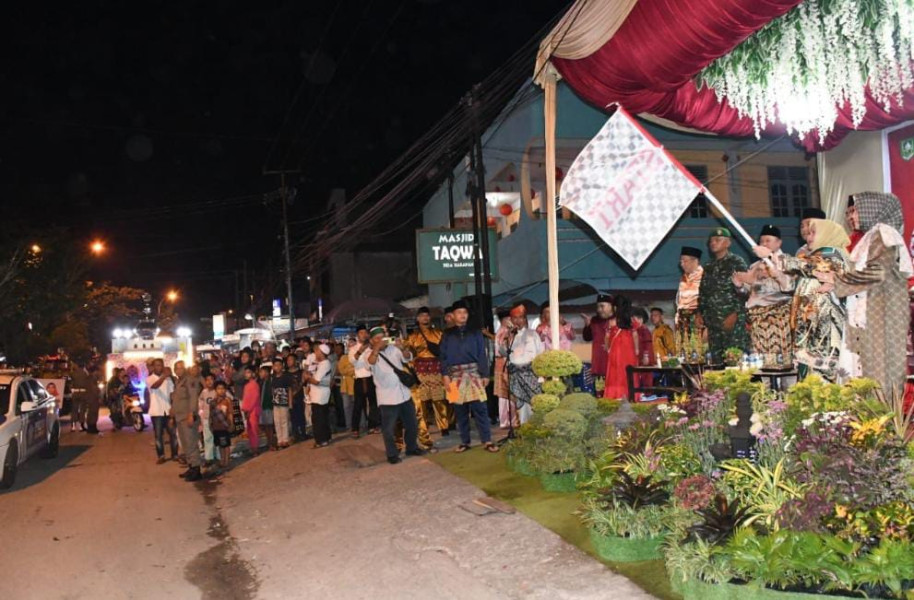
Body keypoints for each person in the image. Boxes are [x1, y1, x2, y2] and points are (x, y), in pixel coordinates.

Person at [825, 192, 913, 395]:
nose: (851, 217)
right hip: (867, 312)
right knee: (863, 374)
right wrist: (834, 283)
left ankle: (880, 424)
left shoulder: (884, 234)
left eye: (855, 211)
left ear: (872, 210)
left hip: (880, 313)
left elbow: (878, 272)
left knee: (878, 375)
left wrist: (839, 281)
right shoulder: (873, 234)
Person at [756, 218, 850, 380]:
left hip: (824, 333)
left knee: (824, 383)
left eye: (814, 233)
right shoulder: (815, 255)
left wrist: (772, 255)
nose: (808, 237)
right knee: (809, 383)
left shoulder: (833, 254)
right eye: (809, 233)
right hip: (810, 334)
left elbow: (808, 266)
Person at [439, 300, 498, 454]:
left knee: (481, 409)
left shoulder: (475, 332)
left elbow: (481, 353)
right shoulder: (446, 334)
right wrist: (445, 375)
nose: (462, 315)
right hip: (454, 376)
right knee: (460, 411)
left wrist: (484, 374)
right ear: (452, 316)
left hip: (474, 373)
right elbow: (443, 356)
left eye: (465, 312)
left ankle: (487, 440)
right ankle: (465, 442)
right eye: (459, 312)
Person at [358, 327, 423, 464]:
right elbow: (370, 363)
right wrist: (376, 348)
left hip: (404, 393)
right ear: (371, 340)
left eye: (384, 338)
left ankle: (412, 447)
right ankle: (392, 454)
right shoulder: (368, 353)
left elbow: (407, 359)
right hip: (387, 398)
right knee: (388, 429)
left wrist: (402, 348)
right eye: (378, 338)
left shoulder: (393, 349)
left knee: (412, 424)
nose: (382, 341)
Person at [733, 224, 793, 366]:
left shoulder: (786, 262)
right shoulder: (755, 266)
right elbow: (748, 293)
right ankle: (765, 388)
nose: (764, 244)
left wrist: (759, 279)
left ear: (778, 242)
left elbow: (788, 287)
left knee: (781, 363)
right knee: (761, 363)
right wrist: (739, 285)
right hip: (757, 320)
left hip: (777, 318)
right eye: (761, 241)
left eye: (768, 240)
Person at [698, 228, 750, 363]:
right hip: (713, 324)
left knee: (734, 361)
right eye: (711, 241)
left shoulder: (737, 262)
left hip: (732, 322)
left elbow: (745, 291)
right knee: (717, 364)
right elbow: (703, 292)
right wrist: (700, 313)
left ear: (728, 243)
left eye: (718, 240)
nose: (713, 243)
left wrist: (736, 314)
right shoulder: (708, 266)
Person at [405, 307, 450, 436]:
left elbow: (444, 351)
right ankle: (423, 427)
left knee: (439, 399)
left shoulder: (438, 333)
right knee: (422, 401)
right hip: (420, 372)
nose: (425, 318)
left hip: (436, 369)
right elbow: (408, 355)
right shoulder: (412, 336)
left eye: (427, 315)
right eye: (422, 316)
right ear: (417, 318)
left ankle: (444, 426)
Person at [501, 303, 544, 424]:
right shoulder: (509, 335)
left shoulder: (533, 334)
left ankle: (537, 429)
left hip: (532, 374)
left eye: (521, 317)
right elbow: (503, 352)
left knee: (535, 404)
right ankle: (525, 430)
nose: (518, 320)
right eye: (515, 318)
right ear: (511, 319)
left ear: (525, 319)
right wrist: (507, 335)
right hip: (516, 374)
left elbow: (540, 354)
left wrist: (541, 375)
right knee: (522, 406)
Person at [172, 361, 203, 481]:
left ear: (184, 369)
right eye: (176, 368)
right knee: (185, 444)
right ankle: (191, 466)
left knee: (191, 443)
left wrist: (191, 414)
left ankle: (196, 470)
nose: (178, 370)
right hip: (180, 417)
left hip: (187, 417)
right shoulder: (178, 382)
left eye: (180, 368)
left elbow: (193, 398)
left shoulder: (190, 380)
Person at [349, 324, 381, 438]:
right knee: (358, 405)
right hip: (359, 379)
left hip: (371, 377)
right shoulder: (353, 348)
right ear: (357, 335)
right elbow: (353, 362)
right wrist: (360, 351)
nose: (363, 335)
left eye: (365, 333)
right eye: (361, 333)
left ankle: (372, 426)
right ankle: (355, 428)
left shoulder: (371, 346)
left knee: (373, 403)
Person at [604, 295, 637, 400]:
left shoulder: (611, 321)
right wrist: (637, 349)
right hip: (629, 349)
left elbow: (607, 336)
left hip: (616, 349)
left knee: (616, 370)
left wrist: (607, 347)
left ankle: (616, 394)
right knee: (629, 371)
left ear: (616, 307)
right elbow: (635, 335)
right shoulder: (631, 320)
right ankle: (631, 394)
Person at [675, 246, 705, 358]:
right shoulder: (683, 278)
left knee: (697, 356)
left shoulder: (704, 276)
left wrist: (707, 327)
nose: (682, 264)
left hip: (697, 320)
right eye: (680, 261)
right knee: (683, 356)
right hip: (683, 321)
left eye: (684, 261)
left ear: (695, 261)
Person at [147, 359, 177, 464]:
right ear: (154, 367)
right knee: (158, 435)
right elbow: (155, 386)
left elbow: (172, 394)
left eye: (161, 365)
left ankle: (175, 454)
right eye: (157, 365)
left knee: (173, 434)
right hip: (157, 411)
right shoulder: (150, 379)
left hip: (168, 411)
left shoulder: (168, 380)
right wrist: (164, 376)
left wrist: (173, 407)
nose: (159, 367)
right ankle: (161, 455)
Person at [304, 343, 334, 448]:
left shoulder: (325, 364)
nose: (315, 353)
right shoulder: (322, 363)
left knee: (318, 418)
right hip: (319, 394)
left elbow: (316, 381)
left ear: (321, 353)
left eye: (317, 351)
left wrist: (308, 377)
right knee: (323, 417)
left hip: (320, 395)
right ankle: (326, 437)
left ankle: (321, 440)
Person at [582, 294, 614, 379]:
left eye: (602, 306)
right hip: (598, 365)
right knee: (599, 390)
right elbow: (587, 338)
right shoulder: (594, 320)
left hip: (614, 364)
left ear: (611, 306)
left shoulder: (617, 321)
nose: (599, 310)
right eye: (598, 307)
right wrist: (587, 325)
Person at [266, 358, 295, 448]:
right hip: (275, 403)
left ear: (282, 367)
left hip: (284, 402)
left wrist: (290, 403)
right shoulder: (272, 378)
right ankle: (280, 440)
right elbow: (271, 390)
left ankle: (285, 439)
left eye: (279, 365)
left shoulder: (286, 377)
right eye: (275, 365)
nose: (277, 367)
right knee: (277, 421)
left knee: (284, 421)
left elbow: (289, 390)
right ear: (273, 367)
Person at [493, 311, 513, 428]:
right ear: (503, 320)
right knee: (506, 394)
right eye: (509, 318)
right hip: (504, 364)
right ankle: (508, 420)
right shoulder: (504, 332)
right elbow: (503, 350)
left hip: (501, 364)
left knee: (504, 394)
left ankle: (506, 420)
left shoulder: (502, 331)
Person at [631, 308, 655, 398]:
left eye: (634, 319)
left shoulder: (644, 330)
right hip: (640, 359)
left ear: (640, 319)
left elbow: (647, 345)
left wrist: (646, 356)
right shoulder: (636, 330)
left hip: (646, 360)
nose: (632, 322)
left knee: (647, 378)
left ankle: (648, 396)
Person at [210, 380, 234, 469]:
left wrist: (231, 424)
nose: (221, 390)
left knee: (226, 445)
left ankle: (226, 461)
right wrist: (211, 425)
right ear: (215, 390)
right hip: (216, 427)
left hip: (225, 426)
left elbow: (230, 413)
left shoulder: (227, 400)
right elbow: (211, 415)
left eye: (223, 388)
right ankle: (222, 459)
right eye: (219, 388)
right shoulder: (213, 402)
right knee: (220, 444)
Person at [240, 365, 261, 456]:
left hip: (253, 410)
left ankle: (255, 449)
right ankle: (253, 447)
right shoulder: (248, 385)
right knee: (250, 430)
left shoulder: (254, 385)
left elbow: (254, 398)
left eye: (248, 372)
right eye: (245, 373)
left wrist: (248, 409)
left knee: (253, 430)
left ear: (253, 373)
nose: (246, 374)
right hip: (248, 410)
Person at [285, 353, 306, 441]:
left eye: (291, 359)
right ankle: (295, 434)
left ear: (295, 361)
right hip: (290, 399)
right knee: (293, 417)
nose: (289, 362)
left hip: (300, 397)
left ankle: (303, 433)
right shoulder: (285, 374)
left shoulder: (301, 372)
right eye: (288, 360)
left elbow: (304, 383)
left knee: (301, 415)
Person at [198, 374, 218, 465]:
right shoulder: (204, 392)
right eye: (207, 380)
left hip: (217, 419)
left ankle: (219, 456)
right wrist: (201, 416)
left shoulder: (218, 391)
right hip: (206, 418)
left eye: (211, 379)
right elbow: (200, 403)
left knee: (217, 437)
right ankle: (209, 457)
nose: (209, 381)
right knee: (207, 438)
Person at [336, 341, 356, 431]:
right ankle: (349, 426)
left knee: (358, 406)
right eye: (349, 346)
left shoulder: (359, 357)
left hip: (356, 385)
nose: (351, 348)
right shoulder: (344, 357)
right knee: (346, 407)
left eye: (353, 346)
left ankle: (361, 425)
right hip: (345, 387)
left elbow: (357, 369)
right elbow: (341, 370)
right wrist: (351, 370)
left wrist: (348, 370)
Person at [258, 365, 277, 451]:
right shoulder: (262, 382)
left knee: (269, 426)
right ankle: (269, 443)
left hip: (268, 406)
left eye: (261, 372)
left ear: (267, 373)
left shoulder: (270, 382)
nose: (260, 374)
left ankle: (272, 443)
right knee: (266, 426)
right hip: (263, 407)